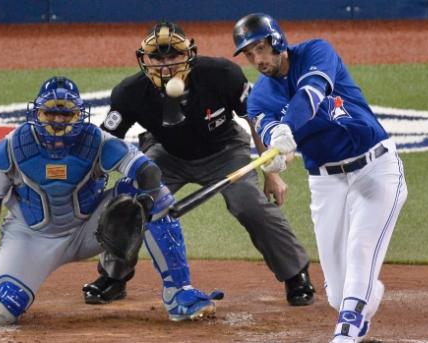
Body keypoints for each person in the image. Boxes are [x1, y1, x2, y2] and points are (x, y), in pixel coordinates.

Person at [0, 76, 222, 325]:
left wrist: (146, 196)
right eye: (51, 113)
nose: (58, 121)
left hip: (90, 228)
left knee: (157, 195)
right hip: (32, 236)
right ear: (37, 113)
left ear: (78, 115)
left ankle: (179, 293)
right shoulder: (12, 147)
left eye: (66, 114)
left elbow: (146, 169)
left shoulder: (96, 141)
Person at [82, 21, 315, 307]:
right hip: (166, 154)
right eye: (157, 57)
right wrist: (90, 180)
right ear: (145, 60)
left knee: (248, 204)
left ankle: (295, 275)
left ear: (188, 54)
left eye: (172, 56)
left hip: (225, 151)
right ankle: (113, 276)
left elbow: (255, 118)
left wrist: (272, 172)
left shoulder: (221, 74)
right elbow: (106, 142)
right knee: (132, 200)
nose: (165, 65)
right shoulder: (130, 92)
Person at [232, 13, 408, 343]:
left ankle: (346, 332)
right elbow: (269, 130)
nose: (257, 60)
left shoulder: (316, 52)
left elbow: (311, 95)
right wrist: (277, 147)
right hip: (326, 181)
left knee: (360, 249)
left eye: (260, 49)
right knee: (337, 294)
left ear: (276, 40)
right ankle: (362, 296)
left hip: (375, 168)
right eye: (249, 54)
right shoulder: (259, 98)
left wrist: (288, 126)